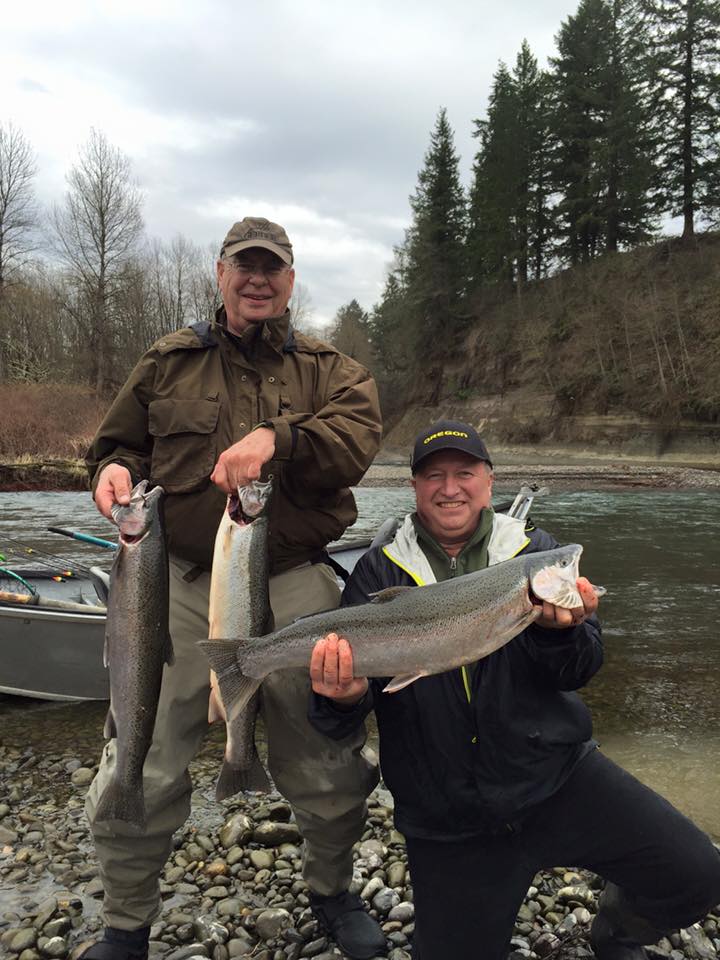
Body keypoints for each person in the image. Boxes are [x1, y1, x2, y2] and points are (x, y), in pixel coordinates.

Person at [82, 217, 387, 960]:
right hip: (175, 583)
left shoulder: (332, 371)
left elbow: (355, 440)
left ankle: (332, 889)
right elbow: (118, 444)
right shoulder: (168, 360)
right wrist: (108, 474)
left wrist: (277, 439)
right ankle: (126, 923)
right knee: (140, 755)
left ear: (290, 279)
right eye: (244, 266)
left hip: (296, 585)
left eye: (272, 268)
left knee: (325, 755)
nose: (258, 279)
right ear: (220, 274)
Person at [309, 419, 720, 960]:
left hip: (557, 780)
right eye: (434, 476)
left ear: (489, 481)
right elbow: (343, 718)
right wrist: (339, 697)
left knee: (698, 874)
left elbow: (580, 670)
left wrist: (561, 632)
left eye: (465, 473)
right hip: (446, 814)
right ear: (414, 487)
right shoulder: (374, 571)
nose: (450, 487)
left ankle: (617, 930)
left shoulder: (536, 551)